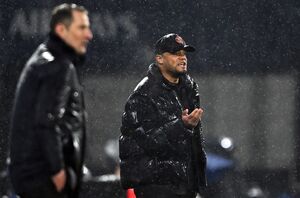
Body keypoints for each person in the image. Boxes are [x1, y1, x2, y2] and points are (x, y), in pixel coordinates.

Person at [8, 3, 92, 198]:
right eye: (82, 27)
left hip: (30, 174)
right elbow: (47, 120)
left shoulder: (43, 57)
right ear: (61, 30)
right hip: (43, 177)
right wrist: (57, 170)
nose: (89, 35)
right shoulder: (57, 66)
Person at [119, 33, 207, 198]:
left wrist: (196, 179)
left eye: (184, 53)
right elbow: (142, 143)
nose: (182, 58)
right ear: (159, 59)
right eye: (175, 53)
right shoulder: (144, 94)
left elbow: (192, 142)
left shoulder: (188, 88)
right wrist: (181, 126)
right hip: (156, 186)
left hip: (184, 184)